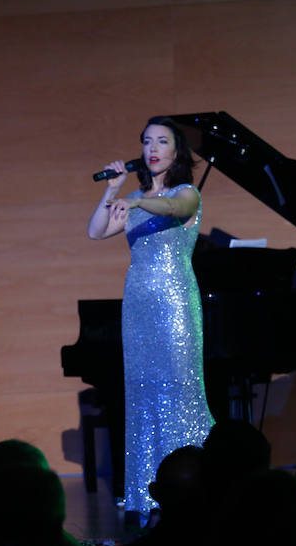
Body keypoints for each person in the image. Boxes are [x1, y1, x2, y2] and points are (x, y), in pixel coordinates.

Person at [87, 116, 215, 521]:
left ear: (177, 151)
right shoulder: (135, 197)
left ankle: (201, 485)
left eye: (162, 141)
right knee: (144, 395)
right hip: (138, 306)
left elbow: (174, 207)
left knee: (180, 393)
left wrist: (138, 200)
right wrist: (114, 187)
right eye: (146, 142)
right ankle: (149, 490)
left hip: (174, 305)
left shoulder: (187, 193)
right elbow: (96, 231)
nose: (152, 148)